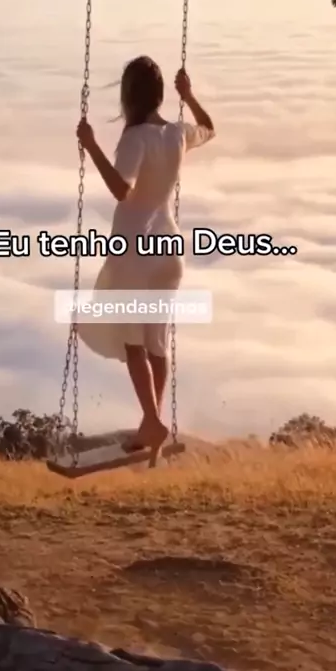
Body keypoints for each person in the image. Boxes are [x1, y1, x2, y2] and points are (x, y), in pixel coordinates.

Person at [76, 56, 215, 453]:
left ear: (129, 95)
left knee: (133, 341)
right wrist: (189, 96)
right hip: (169, 250)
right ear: (158, 95)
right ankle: (150, 423)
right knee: (156, 340)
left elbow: (122, 189)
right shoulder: (177, 133)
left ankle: (152, 422)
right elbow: (209, 128)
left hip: (135, 249)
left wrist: (91, 146)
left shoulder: (135, 137)